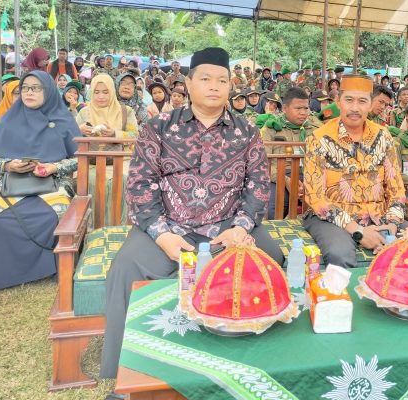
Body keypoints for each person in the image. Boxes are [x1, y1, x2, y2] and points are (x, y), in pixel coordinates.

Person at [100, 48, 282, 380]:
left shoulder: (247, 131)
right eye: (206, 79)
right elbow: (139, 184)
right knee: (126, 266)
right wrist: (162, 234)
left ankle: (255, 360)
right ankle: (128, 372)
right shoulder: (158, 127)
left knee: (270, 256)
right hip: (168, 225)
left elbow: (258, 186)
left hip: (228, 226)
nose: (214, 86)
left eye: (222, 80)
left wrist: (242, 227)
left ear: (230, 86)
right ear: (188, 83)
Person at [302, 74, 408, 268]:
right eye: (348, 100)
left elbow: (396, 189)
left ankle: (396, 297)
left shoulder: (383, 136)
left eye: (362, 101)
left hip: (380, 215)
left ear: (370, 104)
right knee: (340, 253)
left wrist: (392, 225)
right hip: (331, 217)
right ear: (338, 101)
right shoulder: (319, 139)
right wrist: (358, 231)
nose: (354, 108)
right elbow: (316, 197)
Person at [0, 71, 80, 291]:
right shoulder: (9, 117)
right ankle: (5, 273)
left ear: (49, 91)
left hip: (52, 183)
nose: (29, 92)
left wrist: (55, 167)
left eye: (36, 88)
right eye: (25, 88)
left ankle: (53, 268)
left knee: (54, 215)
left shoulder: (63, 119)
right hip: (12, 182)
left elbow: (80, 158)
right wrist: (8, 165)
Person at [260, 87, 320, 217]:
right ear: (285, 108)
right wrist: (285, 180)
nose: (303, 112)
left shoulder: (316, 128)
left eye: (306, 108)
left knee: (323, 209)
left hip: (310, 174)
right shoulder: (272, 128)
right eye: (298, 108)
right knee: (273, 210)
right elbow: (263, 163)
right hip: (280, 174)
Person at [76, 74, 138, 148]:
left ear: (112, 92)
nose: (101, 96)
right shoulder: (84, 112)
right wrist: (79, 130)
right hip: (89, 158)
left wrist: (115, 134)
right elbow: (70, 136)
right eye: (96, 92)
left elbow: (135, 135)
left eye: (105, 92)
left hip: (121, 158)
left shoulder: (126, 111)